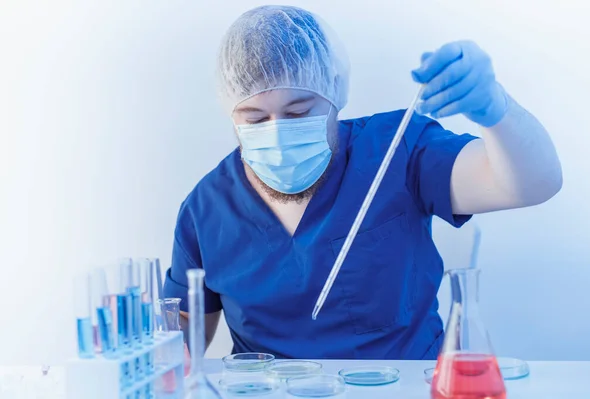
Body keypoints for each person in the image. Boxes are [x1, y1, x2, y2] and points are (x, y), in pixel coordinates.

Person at [163, 5, 562, 359]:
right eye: (253, 119)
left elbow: (532, 184)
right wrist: (145, 340)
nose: (278, 134)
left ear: (334, 93)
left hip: (402, 386)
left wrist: (495, 109)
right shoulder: (206, 208)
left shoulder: (396, 151)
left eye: (299, 112)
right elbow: (185, 337)